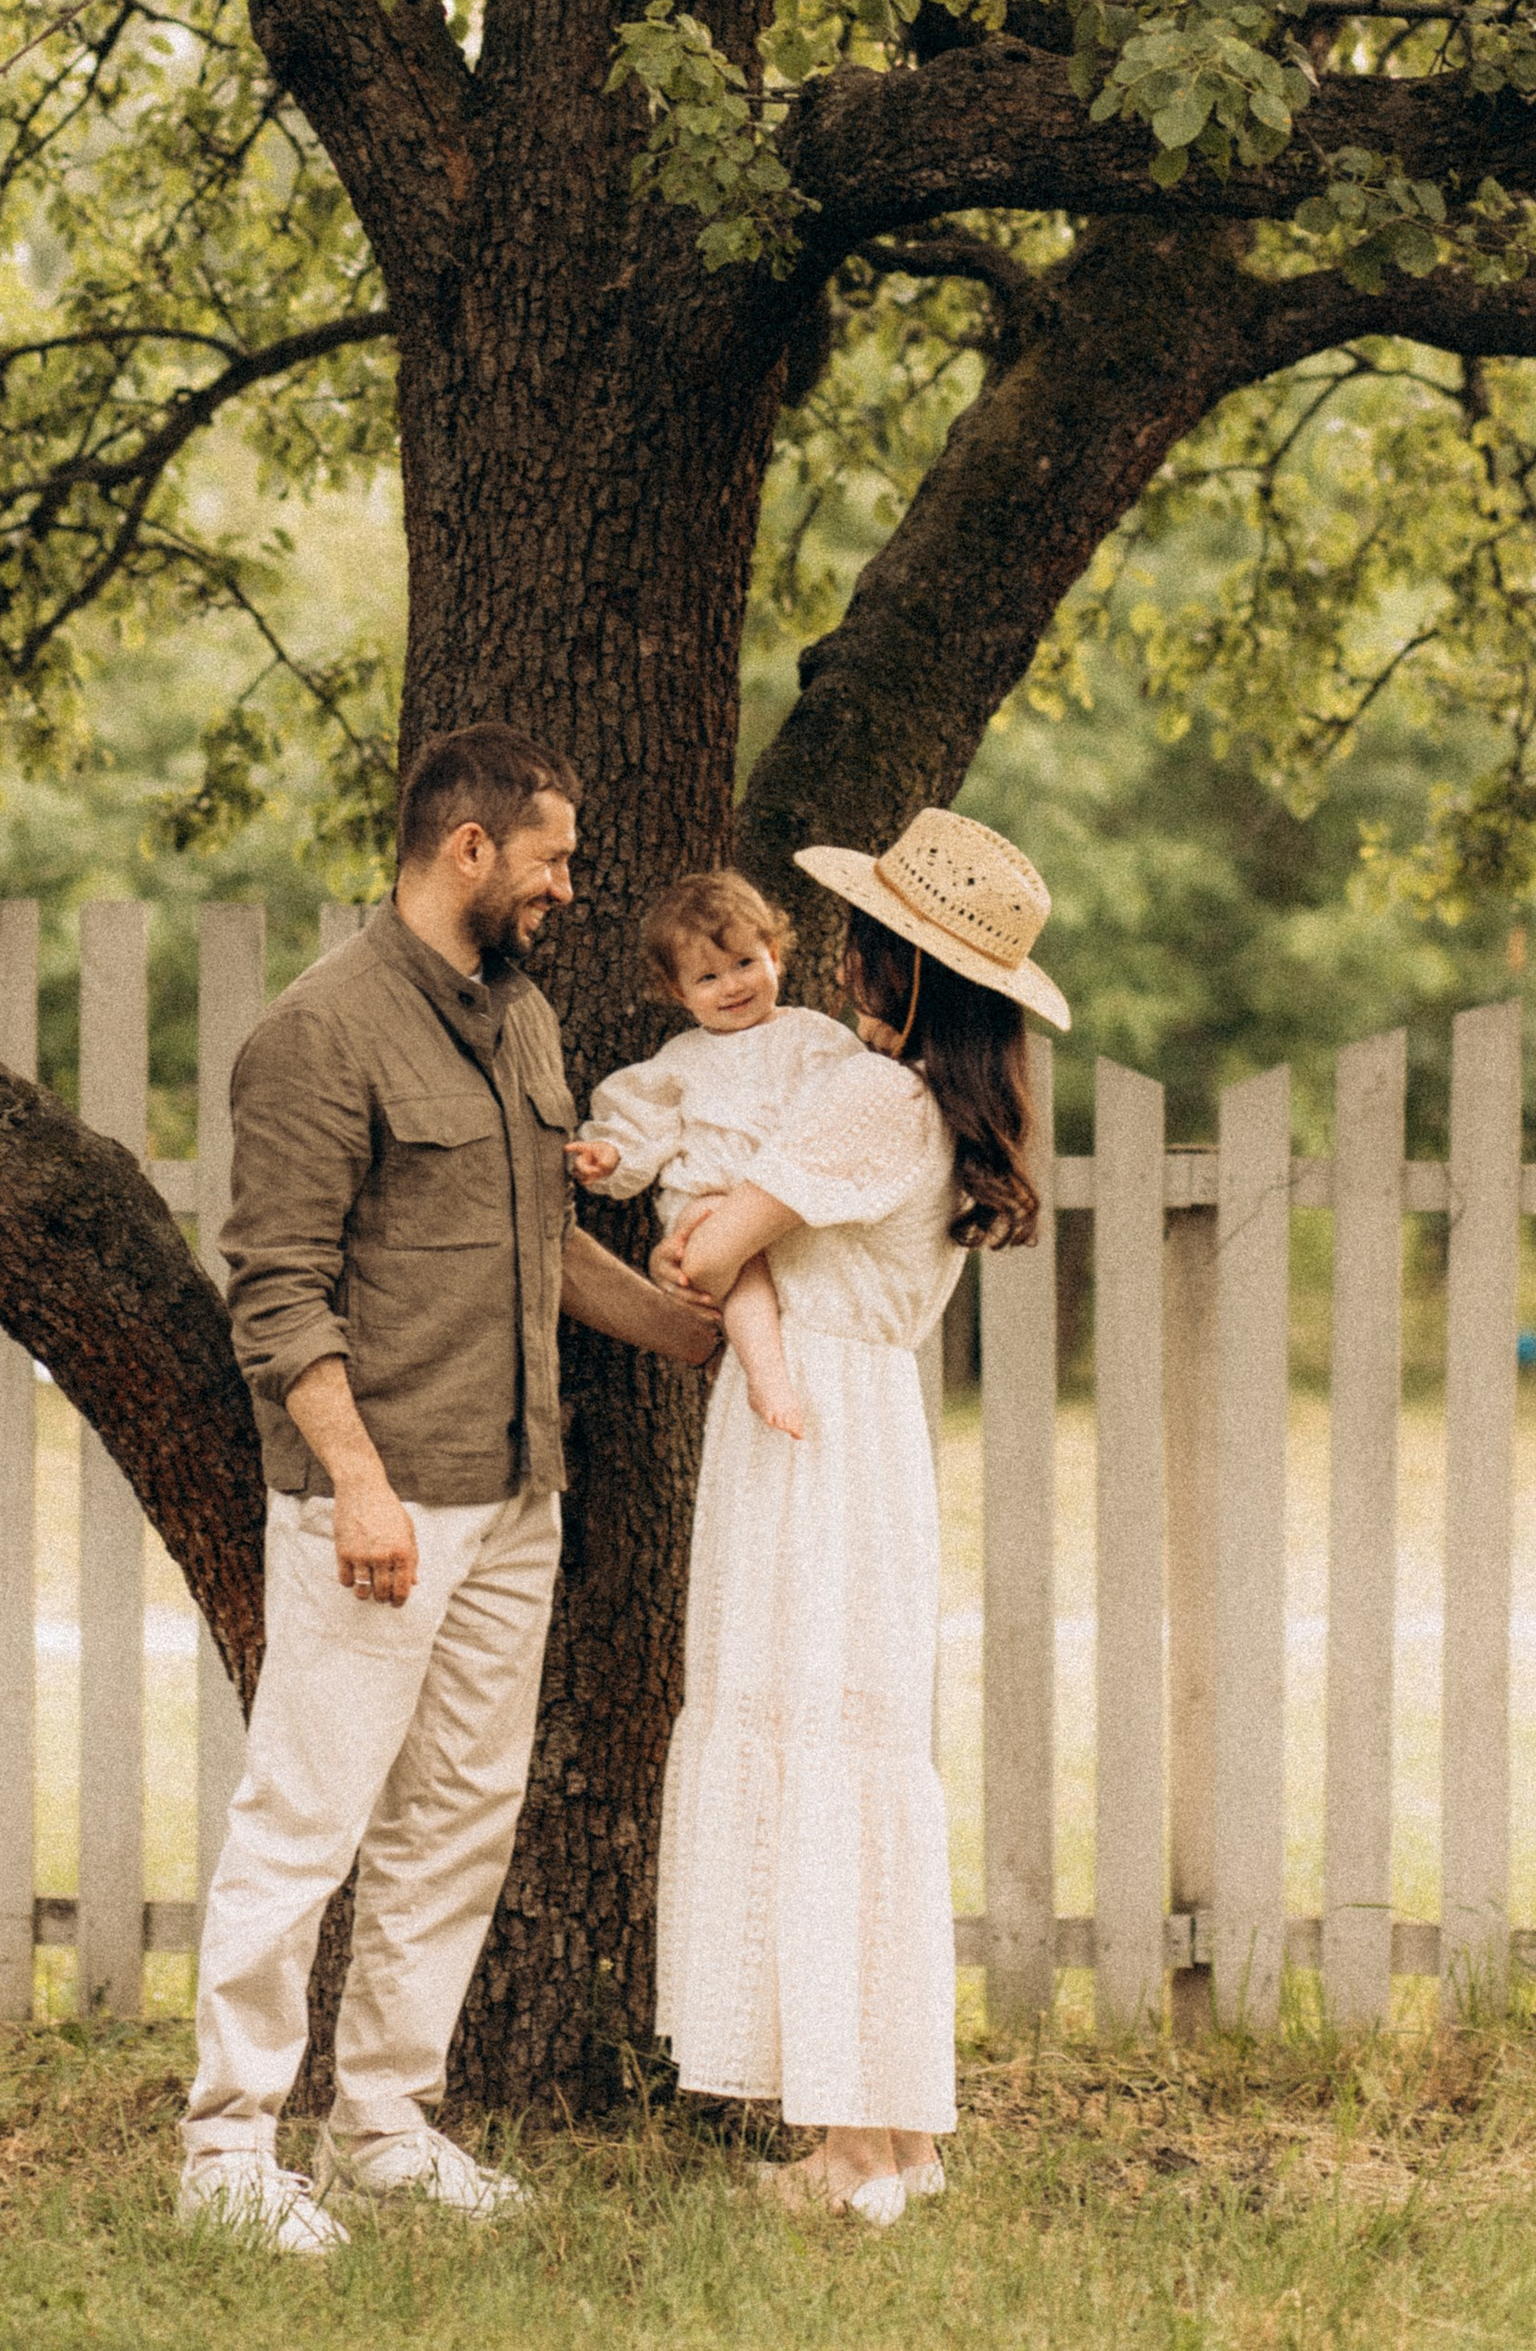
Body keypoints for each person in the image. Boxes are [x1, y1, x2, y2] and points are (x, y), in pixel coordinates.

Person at [178, 721, 723, 2255]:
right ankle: (226, 2152)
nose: (569, 887)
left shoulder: (527, 1024)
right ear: (467, 848)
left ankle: (383, 2128)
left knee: (457, 1822)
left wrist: (682, 1329)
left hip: (515, 1491)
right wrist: (357, 1487)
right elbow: (276, 1291)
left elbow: (545, 1256)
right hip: (381, 1503)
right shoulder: (319, 1033)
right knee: (307, 1817)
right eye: (552, 858)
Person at [650, 806, 1065, 2225]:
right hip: (864, 1422)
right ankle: (886, 2134)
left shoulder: (872, 1100)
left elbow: (707, 1245)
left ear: (897, 965)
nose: (834, 959)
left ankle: (849, 2145)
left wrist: (688, 1220)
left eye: (860, 940)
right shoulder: (934, 1109)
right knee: (854, 1745)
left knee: (811, 1735)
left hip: (807, 1431)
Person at [567, 867, 861, 1441]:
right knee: (738, 1265)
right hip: (704, 1200)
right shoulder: (680, 1059)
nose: (731, 986)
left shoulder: (813, 1037)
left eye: (745, 963)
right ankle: (764, 1373)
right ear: (679, 992)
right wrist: (611, 1154)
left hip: (781, 1195)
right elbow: (642, 1127)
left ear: (775, 953)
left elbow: (841, 1111)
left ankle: (769, 1361)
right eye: (708, 977)